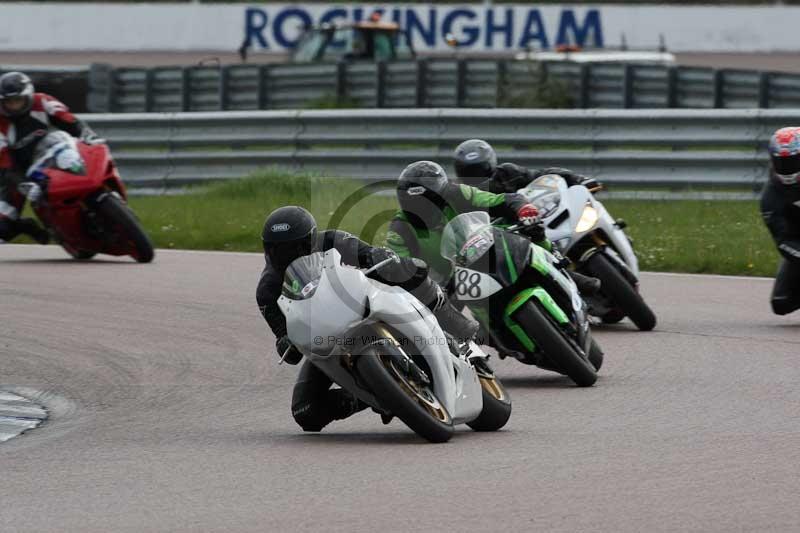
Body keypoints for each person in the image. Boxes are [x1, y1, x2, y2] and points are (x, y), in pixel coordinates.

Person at [256, 205, 479, 432]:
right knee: (305, 412)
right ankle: (367, 395)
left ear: (311, 240)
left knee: (408, 269)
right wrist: (285, 341)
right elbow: (286, 340)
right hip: (327, 341)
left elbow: (368, 253)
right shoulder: (267, 292)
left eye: (295, 248)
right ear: (267, 250)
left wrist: (376, 255)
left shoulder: (333, 240)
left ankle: (451, 324)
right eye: (278, 250)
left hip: (366, 302)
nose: (287, 256)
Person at [385, 160, 600, 294]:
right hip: (450, 282)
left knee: (530, 230)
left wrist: (523, 209)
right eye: (416, 203)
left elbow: (500, 200)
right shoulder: (400, 229)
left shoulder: (458, 193)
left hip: (486, 246)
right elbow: (400, 267)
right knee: (451, 326)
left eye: (430, 200)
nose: (424, 207)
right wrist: (422, 285)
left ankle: (562, 269)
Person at [0, 71, 102, 244]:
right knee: (2, 228)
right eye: (9, 102)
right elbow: (6, 167)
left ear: (28, 95)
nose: (14, 106)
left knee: (83, 161)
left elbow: (70, 122)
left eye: (18, 100)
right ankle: (27, 226)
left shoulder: (43, 101)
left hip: (49, 151)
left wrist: (89, 137)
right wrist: (22, 183)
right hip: (18, 173)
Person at [452, 138, 601, 194]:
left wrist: (577, 179)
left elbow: (542, 175)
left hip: (534, 222)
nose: (478, 174)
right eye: (471, 171)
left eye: (480, 168)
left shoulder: (507, 173)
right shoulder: (461, 194)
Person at [761, 127, 800, 315]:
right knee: (781, 303)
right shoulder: (771, 198)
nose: (788, 167)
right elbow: (783, 242)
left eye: (793, 161)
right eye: (782, 162)